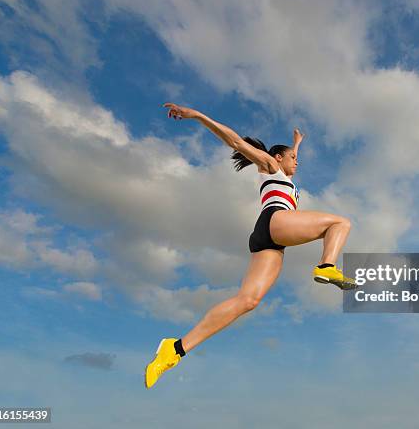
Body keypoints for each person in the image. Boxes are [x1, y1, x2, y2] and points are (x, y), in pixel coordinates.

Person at [145, 103, 356, 389]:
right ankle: (327, 266)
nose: (297, 162)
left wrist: (297, 143)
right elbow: (234, 141)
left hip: (267, 239)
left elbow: (290, 164)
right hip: (276, 220)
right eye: (292, 158)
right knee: (340, 224)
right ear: (277, 158)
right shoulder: (269, 166)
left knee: (248, 301)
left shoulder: (284, 176)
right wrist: (197, 116)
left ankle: (176, 349)